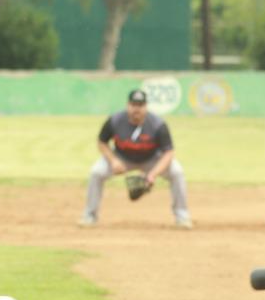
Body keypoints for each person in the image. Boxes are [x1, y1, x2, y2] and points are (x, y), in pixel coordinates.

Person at [79, 88, 192, 229]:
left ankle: (182, 217)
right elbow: (102, 142)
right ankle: (89, 215)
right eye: (133, 105)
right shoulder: (115, 120)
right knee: (96, 172)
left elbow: (168, 152)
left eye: (140, 105)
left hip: (151, 159)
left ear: (146, 107)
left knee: (177, 172)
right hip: (122, 158)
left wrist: (152, 174)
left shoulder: (158, 125)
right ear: (128, 105)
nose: (136, 109)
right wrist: (113, 160)